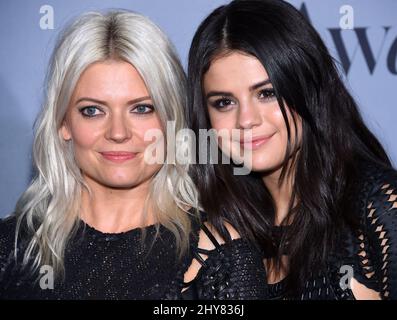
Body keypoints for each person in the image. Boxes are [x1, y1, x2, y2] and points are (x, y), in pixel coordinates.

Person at [0, 10, 267, 299]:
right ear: (63, 123)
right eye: (92, 110)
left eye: (141, 109)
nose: (118, 132)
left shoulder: (220, 255)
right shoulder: (9, 245)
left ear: (171, 120)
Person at [187, 0, 397, 299]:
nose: (247, 120)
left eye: (267, 93)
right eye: (224, 102)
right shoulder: (221, 235)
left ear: (308, 89)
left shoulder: (378, 205)